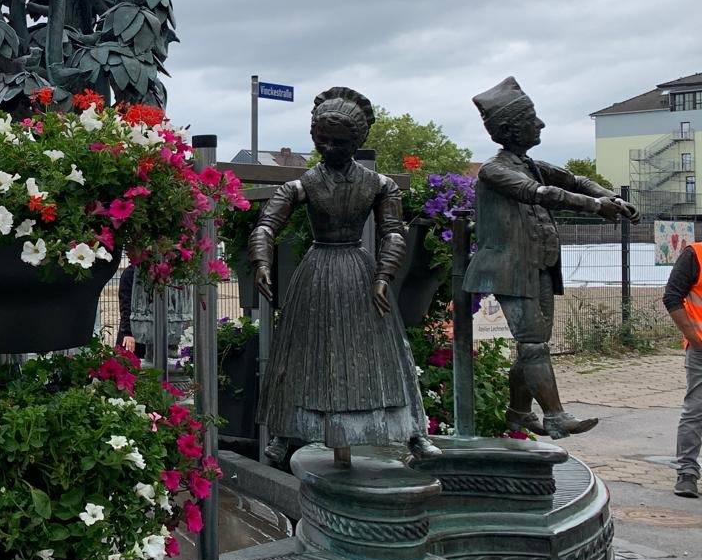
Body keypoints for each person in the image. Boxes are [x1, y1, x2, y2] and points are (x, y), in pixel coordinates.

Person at [251, 87, 439, 467]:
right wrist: (261, 262)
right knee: (304, 352)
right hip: (317, 272)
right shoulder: (302, 185)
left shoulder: (379, 184)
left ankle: (413, 431)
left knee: (383, 354)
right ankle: (287, 433)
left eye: (338, 142)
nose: (329, 148)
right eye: (322, 141)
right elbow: (267, 225)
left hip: (360, 271)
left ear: (357, 141)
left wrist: (385, 273)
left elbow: (393, 232)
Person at [463, 77, 639, 438]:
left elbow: (574, 180)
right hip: (507, 270)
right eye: (533, 118)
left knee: (533, 344)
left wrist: (611, 197)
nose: (541, 124)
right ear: (512, 129)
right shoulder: (495, 170)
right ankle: (555, 415)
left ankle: (518, 412)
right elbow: (538, 194)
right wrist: (594, 206)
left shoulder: (533, 163)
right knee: (533, 343)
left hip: (539, 267)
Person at [664, 242, 702, 498]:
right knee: (696, 408)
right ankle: (687, 472)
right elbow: (672, 297)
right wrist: (693, 336)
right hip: (701, 348)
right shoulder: (695, 254)